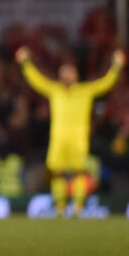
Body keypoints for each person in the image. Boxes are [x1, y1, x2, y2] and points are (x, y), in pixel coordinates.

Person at [15, 46, 125, 216]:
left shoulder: (85, 91)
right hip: (58, 139)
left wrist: (116, 66)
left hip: (78, 139)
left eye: (69, 72)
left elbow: (106, 83)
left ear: (76, 75)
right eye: (63, 72)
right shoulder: (55, 90)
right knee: (57, 173)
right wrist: (25, 63)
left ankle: (78, 208)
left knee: (78, 173)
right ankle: (60, 208)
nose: (66, 75)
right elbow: (36, 81)